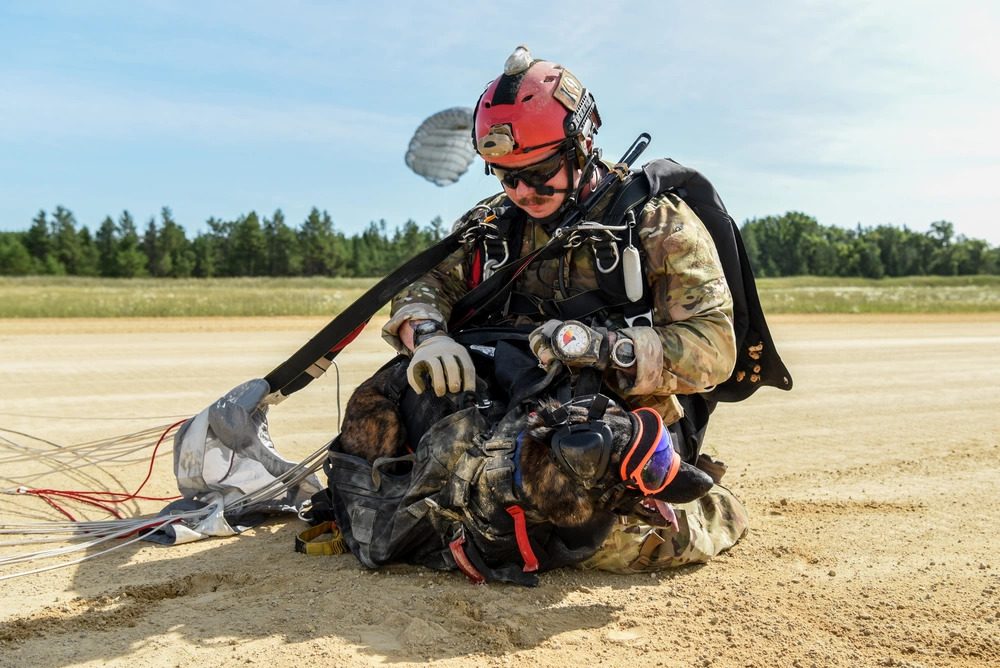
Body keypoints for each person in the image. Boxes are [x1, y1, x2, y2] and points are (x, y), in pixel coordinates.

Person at [381, 46, 751, 573]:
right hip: (517, 408)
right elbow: (427, 282)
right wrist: (427, 334)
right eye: (506, 176)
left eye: (540, 171)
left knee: (601, 540)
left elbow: (714, 349)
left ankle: (694, 501)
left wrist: (605, 348)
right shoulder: (495, 221)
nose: (523, 191)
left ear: (582, 144)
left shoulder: (654, 221)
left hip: (620, 424)